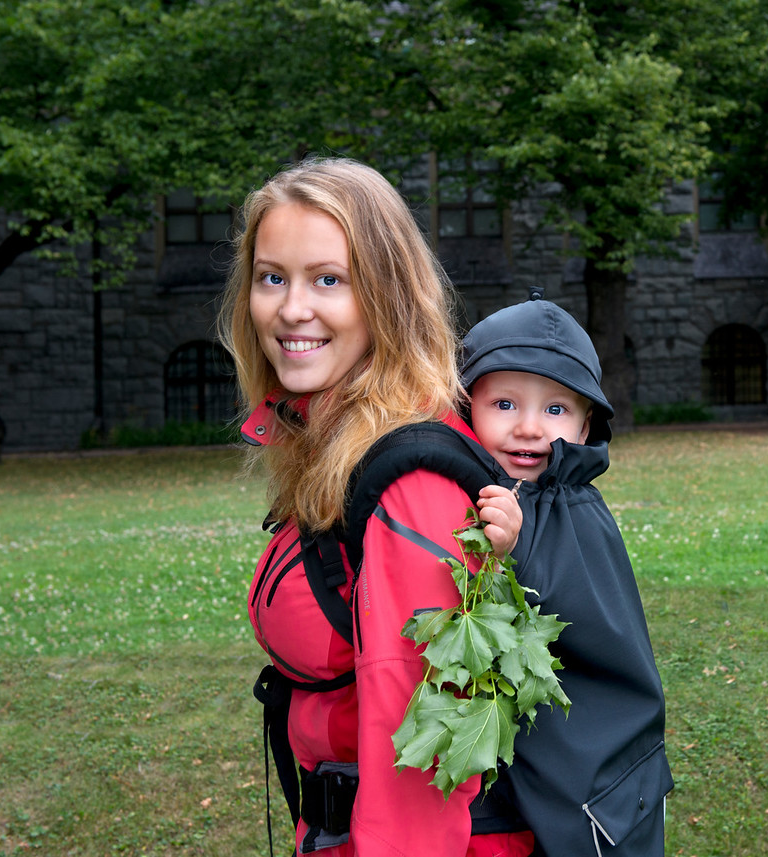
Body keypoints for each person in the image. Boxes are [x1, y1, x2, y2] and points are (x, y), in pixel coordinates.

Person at [218, 157, 532, 857]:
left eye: (328, 279)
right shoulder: (327, 439)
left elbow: (421, 751)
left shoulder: (404, 481)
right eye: (272, 277)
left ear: (386, 295)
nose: (291, 308)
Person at [458, 291, 673, 857]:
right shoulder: (479, 485)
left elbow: (561, 615)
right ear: (467, 403)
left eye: (556, 410)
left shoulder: (569, 507)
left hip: (592, 774)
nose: (530, 427)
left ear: (583, 427)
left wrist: (510, 551)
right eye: (505, 403)